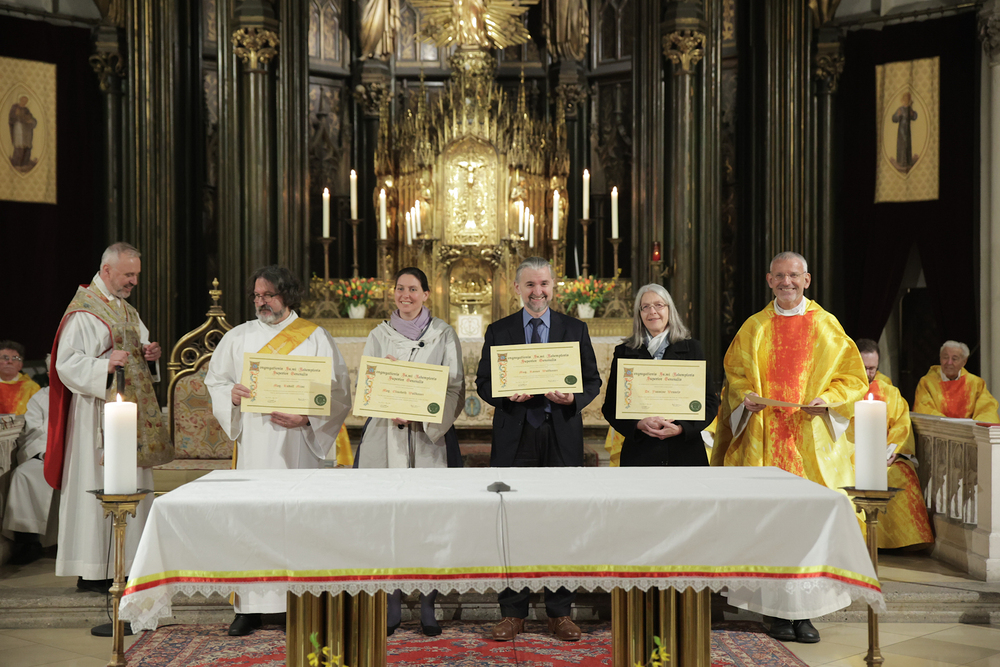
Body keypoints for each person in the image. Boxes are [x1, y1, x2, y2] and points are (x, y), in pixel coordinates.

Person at [712, 251, 868, 645]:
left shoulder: (827, 326)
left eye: (794, 276)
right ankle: (775, 612)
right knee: (770, 525)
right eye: (779, 276)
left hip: (809, 443)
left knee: (807, 527)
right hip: (765, 441)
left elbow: (852, 378)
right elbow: (735, 376)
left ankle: (804, 613)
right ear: (769, 280)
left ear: (807, 280)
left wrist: (828, 400)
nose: (787, 282)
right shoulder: (754, 327)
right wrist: (745, 398)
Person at [206, 265, 352, 637]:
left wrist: (307, 418)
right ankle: (249, 608)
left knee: (296, 519)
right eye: (257, 296)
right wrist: (231, 396)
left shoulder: (315, 337)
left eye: (268, 295)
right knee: (252, 518)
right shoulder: (238, 337)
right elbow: (216, 381)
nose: (261, 302)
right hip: (254, 447)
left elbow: (338, 392)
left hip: (299, 446)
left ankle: (297, 602)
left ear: (287, 295)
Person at [475, 256, 602, 643]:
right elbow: (484, 383)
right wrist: (504, 394)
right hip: (515, 436)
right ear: (517, 288)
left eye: (543, 284)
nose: (537, 291)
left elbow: (592, 381)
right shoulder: (499, 330)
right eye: (530, 284)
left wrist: (572, 398)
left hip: (560, 433)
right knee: (511, 522)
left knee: (561, 520)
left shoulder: (574, 328)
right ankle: (512, 613)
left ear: (553, 286)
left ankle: (559, 613)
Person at [45, 242, 167, 599]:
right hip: (94, 415)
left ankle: (127, 565)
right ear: (107, 270)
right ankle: (93, 569)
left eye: (136, 275)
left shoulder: (126, 310)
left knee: (130, 483)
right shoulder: (84, 310)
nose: (133, 281)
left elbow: (139, 352)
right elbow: (65, 363)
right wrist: (103, 366)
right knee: (95, 483)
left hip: (128, 413)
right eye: (128, 274)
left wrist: (150, 355)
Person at [357, 267, 465, 637]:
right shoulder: (378, 335)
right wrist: (387, 401)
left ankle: (428, 602)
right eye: (400, 289)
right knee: (386, 517)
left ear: (426, 294)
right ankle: (391, 599)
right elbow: (367, 384)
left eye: (413, 289)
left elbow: (455, 387)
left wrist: (423, 414)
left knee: (429, 518)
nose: (406, 295)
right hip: (385, 434)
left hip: (429, 437)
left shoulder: (443, 333)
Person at [601, 284, 718, 467]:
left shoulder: (692, 349)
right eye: (645, 307)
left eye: (659, 305)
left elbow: (710, 402)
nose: (652, 311)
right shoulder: (624, 352)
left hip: (685, 452)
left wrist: (681, 428)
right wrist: (638, 425)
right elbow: (610, 406)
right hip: (640, 452)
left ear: (670, 310)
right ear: (639, 314)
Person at [851, 339, 933, 549]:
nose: (868, 373)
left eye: (873, 368)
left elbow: (901, 425)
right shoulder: (841, 388)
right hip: (848, 455)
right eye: (864, 367)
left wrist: (892, 451)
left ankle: (900, 542)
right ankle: (856, 540)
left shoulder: (889, 391)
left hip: (882, 454)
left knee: (901, 474)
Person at [3, 354, 55, 565]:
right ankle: (28, 543)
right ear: (49, 374)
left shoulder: (86, 396)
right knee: (23, 475)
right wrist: (45, 453)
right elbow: (34, 431)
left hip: (80, 459)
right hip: (46, 455)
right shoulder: (41, 397)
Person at [913, 341, 999, 422]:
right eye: (945, 357)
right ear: (940, 358)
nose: (949, 362)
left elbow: (988, 411)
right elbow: (924, 410)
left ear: (964, 362)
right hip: (939, 430)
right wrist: (950, 425)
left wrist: (974, 426)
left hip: (968, 430)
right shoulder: (927, 382)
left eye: (954, 359)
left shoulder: (976, 383)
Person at [0, 340, 40, 414]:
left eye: (15, 358)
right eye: (5, 358)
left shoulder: (32, 388)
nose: (10, 361)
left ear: (20, 364)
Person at [9, 95, 37, 170]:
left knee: (27, 146)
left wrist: (31, 121)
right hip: (19, 129)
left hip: (26, 131)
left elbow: (30, 117)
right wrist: (17, 115)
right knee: (19, 146)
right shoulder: (15, 107)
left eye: (26, 101)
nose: (24, 103)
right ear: (20, 100)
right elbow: (12, 118)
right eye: (23, 101)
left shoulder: (26, 109)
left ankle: (25, 163)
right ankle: (17, 163)